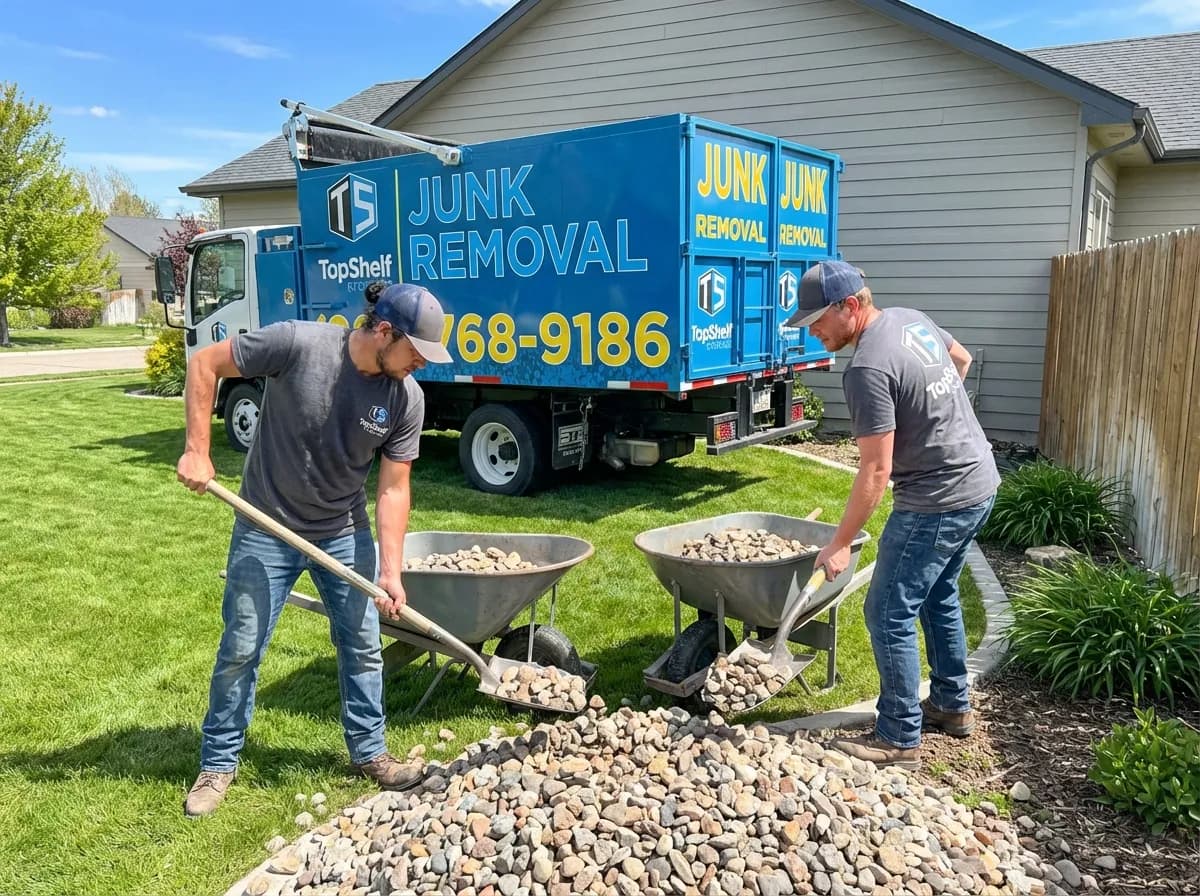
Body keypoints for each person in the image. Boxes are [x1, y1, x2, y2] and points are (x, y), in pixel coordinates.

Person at [176, 282, 453, 817]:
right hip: (267, 526)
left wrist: (391, 572)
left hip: (343, 531)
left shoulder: (406, 398)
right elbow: (205, 363)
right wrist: (196, 449)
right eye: (415, 351)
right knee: (242, 646)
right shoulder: (297, 344)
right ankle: (218, 763)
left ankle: (371, 754)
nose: (419, 364)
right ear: (384, 332)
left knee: (362, 644)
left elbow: (394, 488)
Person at [784, 261, 999, 769]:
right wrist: (935, 420)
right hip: (980, 480)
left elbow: (875, 473)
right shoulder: (910, 318)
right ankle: (951, 704)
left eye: (817, 321)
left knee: (887, 610)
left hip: (937, 499)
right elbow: (960, 359)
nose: (813, 332)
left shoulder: (866, 369)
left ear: (850, 306)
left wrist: (839, 544)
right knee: (939, 592)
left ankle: (899, 735)